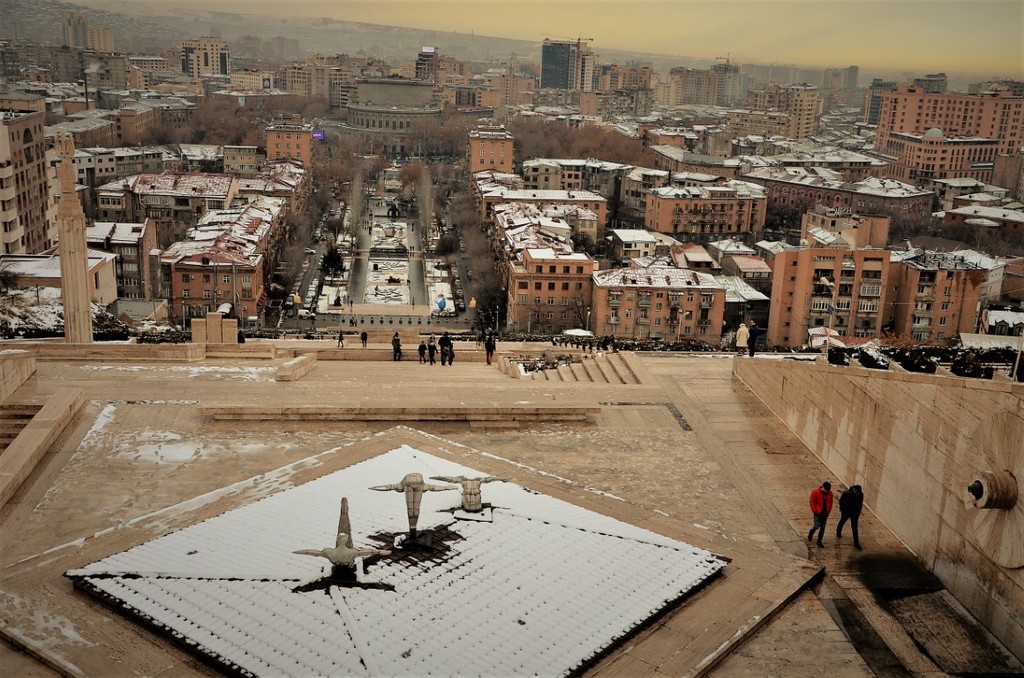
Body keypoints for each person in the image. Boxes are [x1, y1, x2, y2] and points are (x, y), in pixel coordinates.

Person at [836, 484, 864, 550]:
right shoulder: (847, 493)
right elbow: (841, 502)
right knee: (842, 521)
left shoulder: (860, 494)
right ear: (854, 490)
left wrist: (857, 514)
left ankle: (856, 543)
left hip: (854, 514)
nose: (857, 493)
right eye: (856, 492)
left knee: (854, 528)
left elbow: (860, 505)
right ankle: (838, 532)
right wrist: (842, 510)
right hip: (846, 512)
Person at [807, 481, 834, 548]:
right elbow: (812, 501)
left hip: (824, 513)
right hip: (817, 512)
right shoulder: (815, 492)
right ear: (823, 487)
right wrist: (814, 510)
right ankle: (811, 532)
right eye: (826, 490)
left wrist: (828, 512)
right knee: (816, 526)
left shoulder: (830, 493)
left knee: (823, 527)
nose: (827, 491)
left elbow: (830, 503)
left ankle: (819, 541)